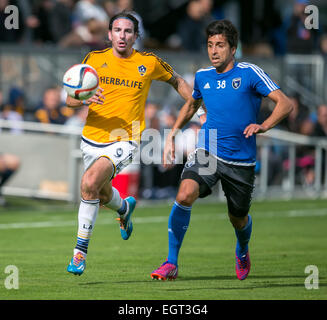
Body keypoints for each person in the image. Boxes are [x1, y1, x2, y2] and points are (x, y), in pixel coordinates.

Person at [151, 19, 293, 281]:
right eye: (209, 45)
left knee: (237, 218)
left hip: (241, 161)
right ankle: (171, 263)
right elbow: (192, 105)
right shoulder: (203, 76)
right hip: (208, 152)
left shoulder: (250, 73)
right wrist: (172, 134)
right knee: (184, 195)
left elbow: (285, 103)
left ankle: (241, 248)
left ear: (233, 48)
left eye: (219, 45)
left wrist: (263, 126)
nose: (213, 50)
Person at [65, 11, 192, 276]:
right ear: (109, 35)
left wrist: (196, 105)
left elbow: (177, 80)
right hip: (92, 137)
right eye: (117, 31)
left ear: (136, 36)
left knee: (88, 183)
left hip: (127, 137)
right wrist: (84, 100)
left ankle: (79, 254)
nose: (122, 36)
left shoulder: (148, 62)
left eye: (128, 31)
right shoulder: (93, 59)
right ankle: (124, 207)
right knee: (99, 192)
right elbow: (70, 100)